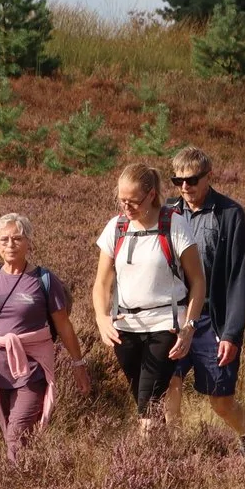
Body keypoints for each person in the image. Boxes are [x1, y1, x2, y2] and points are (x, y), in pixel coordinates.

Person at [0, 213, 86, 459]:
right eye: (4, 240)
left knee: (17, 433)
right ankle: (30, 480)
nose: (10, 245)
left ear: (29, 243)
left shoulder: (44, 280)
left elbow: (64, 326)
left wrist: (78, 364)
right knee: (12, 435)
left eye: (17, 239)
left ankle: (14, 485)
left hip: (32, 369)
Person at [90, 164, 206, 439]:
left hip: (165, 326)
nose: (126, 207)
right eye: (121, 200)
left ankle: (142, 469)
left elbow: (198, 281)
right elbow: (101, 284)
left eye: (133, 201)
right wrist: (101, 318)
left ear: (151, 194)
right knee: (146, 402)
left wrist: (189, 326)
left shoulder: (174, 224)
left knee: (148, 406)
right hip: (125, 328)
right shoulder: (115, 227)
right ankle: (168, 461)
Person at [160, 147, 245, 451]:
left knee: (221, 401)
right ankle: (174, 452)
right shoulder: (168, 211)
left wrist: (231, 333)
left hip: (212, 319)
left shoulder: (229, 214)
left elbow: (237, 277)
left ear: (208, 177)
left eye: (192, 180)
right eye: (178, 181)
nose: (185, 187)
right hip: (175, 318)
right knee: (170, 383)